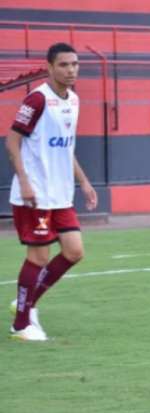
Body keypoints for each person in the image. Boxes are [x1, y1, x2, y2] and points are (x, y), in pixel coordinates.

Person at [5, 42, 98, 342]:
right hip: (37, 195)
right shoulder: (37, 100)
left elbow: (66, 148)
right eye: (64, 65)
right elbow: (12, 142)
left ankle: (27, 303)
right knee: (39, 257)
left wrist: (84, 182)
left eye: (74, 64)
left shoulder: (73, 100)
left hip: (61, 195)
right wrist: (25, 182)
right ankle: (21, 323)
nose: (71, 70)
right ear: (49, 67)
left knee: (74, 251)